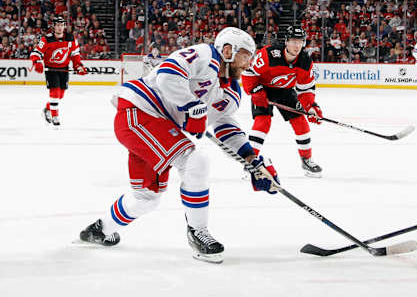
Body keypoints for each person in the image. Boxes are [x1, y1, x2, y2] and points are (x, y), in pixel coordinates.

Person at [78, 27, 280, 264]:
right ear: (228, 50)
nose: (249, 64)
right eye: (246, 56)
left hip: (158, 127)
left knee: (147, 198)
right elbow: (166, 74)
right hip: (139, 111)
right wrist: (191, 105)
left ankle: (99, 230)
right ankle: (198, 232)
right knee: (195, 160)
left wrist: (252, 161)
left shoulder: (232, 91)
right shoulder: (206, 55)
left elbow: (224, 125)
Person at [241, 25, 323, 177]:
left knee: (300, 121)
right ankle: (250, 163)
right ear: (286, 41)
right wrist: (255, 91)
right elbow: (248, 72)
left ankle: (306, 159)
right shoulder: (269, 54)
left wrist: (311, 107)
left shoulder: (305, 61)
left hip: (285, 91)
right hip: (262, 88)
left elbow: (305, 89)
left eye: (300, 41)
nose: (297, 45)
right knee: (262, 121)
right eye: (293, 41)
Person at [30, 16, 87, 128]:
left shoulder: (71, 39)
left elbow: (75, 55)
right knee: (55, 93)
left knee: (60, 95)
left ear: (64, 26)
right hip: (51, 70)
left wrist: (78, 66)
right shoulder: (46, 39)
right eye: (57, 25)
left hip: (64, 69)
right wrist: (37, 62)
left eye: (62, 25)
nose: (60, 27)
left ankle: (48, 108)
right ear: (53, 27)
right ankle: (55, 116)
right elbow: (35, 53)